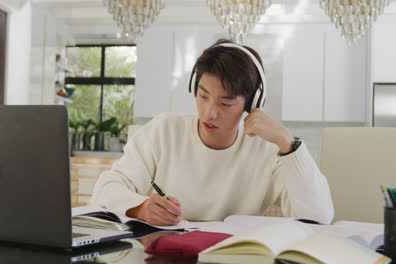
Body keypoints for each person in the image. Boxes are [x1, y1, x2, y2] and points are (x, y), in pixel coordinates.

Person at [91, 39, 334, 226]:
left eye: (225, 104)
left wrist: (286, 141)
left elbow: (318, 217)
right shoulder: (164, 130)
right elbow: (105, 190)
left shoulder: (270, 149)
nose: (209, 113)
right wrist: (141, 207)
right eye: (203, 96)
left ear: (252, 104)